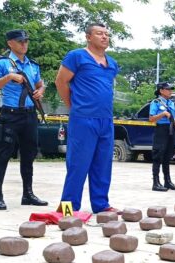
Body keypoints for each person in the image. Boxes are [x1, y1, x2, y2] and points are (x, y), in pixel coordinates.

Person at [54, 23, 119, 213]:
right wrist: (72, 106)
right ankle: (67, 208)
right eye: (99, 33)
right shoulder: (76, 56)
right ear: (88, 37)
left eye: (107, 34)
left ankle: (101, 205)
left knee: (103, 165)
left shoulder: (112, 62)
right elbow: (61, 81)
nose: (105, 37)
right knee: (78, 165)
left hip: (106, 120)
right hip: (83, 119)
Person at [0, 29, 48, 210]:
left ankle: (28, 194)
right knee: (2, 155)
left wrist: (40, 91)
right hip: (11, 114)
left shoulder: (32, 65)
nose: (24, 44)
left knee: (29, 154)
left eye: (26, 41)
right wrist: (9, 77)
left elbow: (39, 83)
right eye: (20, 41)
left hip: (29, 114)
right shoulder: (2, 63)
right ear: (10, 43)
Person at [149, 82, 175, 192]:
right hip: (161, 129)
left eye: (171, 89)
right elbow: (151, 118)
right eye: (168, 89)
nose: (170, 91)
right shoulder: (156, 102)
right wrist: (162, 114)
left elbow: (172, 116)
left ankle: (167, 181)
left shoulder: (170, 102)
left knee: (168, 155)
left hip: (170, 129)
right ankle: (156, 182)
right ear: (161, 90)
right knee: (158, 155)